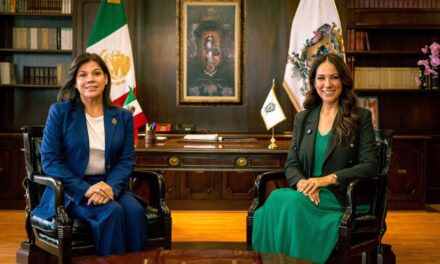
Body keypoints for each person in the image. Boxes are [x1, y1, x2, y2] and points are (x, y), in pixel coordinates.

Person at [252, 53, 378, 263]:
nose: (327, 84)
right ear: (313, 82)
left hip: (341, 196)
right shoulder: (304, 118)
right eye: (321, 78)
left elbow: (370, 165)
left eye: (334, 77)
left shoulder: (360, 116)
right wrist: (303, 183)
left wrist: (326, 179)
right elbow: (292, 164)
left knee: (287, 203)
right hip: (308, 193)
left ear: (343, 81)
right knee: (276, 200)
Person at [33, 52, 147, 256]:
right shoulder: (60, 113)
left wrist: (110, 188)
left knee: (135, 211)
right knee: (111, 211)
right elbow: (50, 161)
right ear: (75, 82)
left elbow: (125, 161)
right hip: (71, 189)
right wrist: (86, 189)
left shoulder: (122, 116)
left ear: (106, 79)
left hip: (109, 184)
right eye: (83, 75)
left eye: (96, 73)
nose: (90, 80)